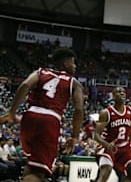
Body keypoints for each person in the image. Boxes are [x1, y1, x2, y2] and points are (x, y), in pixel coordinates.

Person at [0, 48, 84, 182]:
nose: (75, 66)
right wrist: (74, 136)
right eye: (73, 63)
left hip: (30, 116)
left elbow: (25, 85)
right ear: (65, 64)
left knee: (32, 165)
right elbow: (79, 110)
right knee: (39, 173)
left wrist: (12, 112)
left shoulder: (40, 72)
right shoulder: (74, 83)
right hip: (50, 120)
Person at [92, 87, 131, 182]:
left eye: (123, 92)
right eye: (118, 92)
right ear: (113, 96)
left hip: (124, 149)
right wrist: (107, 145)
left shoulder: (130, 112)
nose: (122, 93)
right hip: (108, 148)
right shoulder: (106, 113)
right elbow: (96, 135)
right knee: (106, 170)